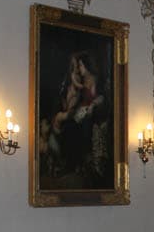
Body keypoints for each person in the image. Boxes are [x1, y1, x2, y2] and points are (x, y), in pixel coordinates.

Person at [39, 49, 111, 188]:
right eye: (77, 66)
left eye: (80, 66)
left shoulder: (96, 82)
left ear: (87, 66)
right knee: (70, 127)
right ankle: (68, 163)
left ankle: (79, 164)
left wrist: (92, 106)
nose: (79, 69)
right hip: (80, 117)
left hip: (91, 118)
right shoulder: (80, 84)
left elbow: (101, 99)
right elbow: (77, 94)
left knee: (77, 128)